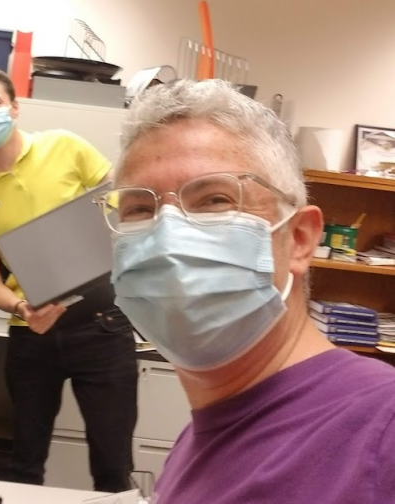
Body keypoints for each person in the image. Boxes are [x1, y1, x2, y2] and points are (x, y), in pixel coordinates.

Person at [104, 79, 395, 503]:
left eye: (214, 200)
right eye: (139, 209)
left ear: (299, 238)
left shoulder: (381, 431)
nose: (167, 237)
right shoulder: (204, 436)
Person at [0, 68, 138, 493]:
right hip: (32, 332)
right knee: (24, 465)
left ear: (15, 108)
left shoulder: (65, 146)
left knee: (113, 467)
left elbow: (121, 205)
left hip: (101, 323)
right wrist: (21, 307)